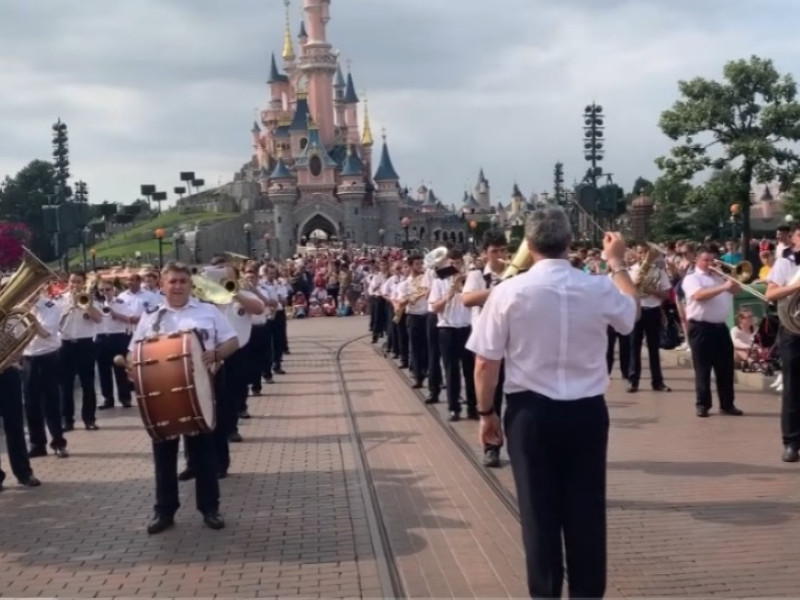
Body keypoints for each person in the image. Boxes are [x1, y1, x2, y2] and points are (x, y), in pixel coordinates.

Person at [467, 207, 638, 598]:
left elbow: (484, 362)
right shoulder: (598, 287)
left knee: (538, 515)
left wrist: (485, 413)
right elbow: (630, 316)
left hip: (530, 413)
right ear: (568, 243)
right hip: (587, 413)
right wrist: (616, 263)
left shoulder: (507, 291)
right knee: (586, 512)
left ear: (528, 245)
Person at [125, 261, 239, 534]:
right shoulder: (151, 316)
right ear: (162, 285)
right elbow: (132, 352)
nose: (177, 286)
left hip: (203, 388)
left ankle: (209, 508)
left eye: (182, 282)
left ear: (191, 285)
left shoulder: (208, 311)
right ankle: (164, 511)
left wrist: (217, 354)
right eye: (172, 281)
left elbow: (232, 340)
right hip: (161, 394)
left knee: (204, 453)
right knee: (164, 455)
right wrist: (133, 369)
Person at [461, 229, 508, 468]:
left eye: (503, 250)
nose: (499, 255)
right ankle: (492, 446)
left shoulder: (517, 274)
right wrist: (499, 291)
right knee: (492, 396)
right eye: (494, 251)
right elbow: (467, 299)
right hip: (488, 345)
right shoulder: (477, 274)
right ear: (485, 253)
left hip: (514, 345)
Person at [681, 247, 744, 418]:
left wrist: (731, 280)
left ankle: (727, 404)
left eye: (712, 260)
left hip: (720, 327)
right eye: (705, 260)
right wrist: (724, 286)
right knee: (703, 369)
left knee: (725, 368)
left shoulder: (720, 277)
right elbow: (699, 296)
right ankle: (703, 405)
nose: (710, 264)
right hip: (700, 328)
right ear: (697, 261)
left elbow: (738, 291)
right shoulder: (692, 278)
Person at [765, 223, 800, 462]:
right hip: (793, 331)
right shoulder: (785, 263)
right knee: (793, 388)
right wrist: (796, 286)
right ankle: (792, 443)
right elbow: (770, 294)